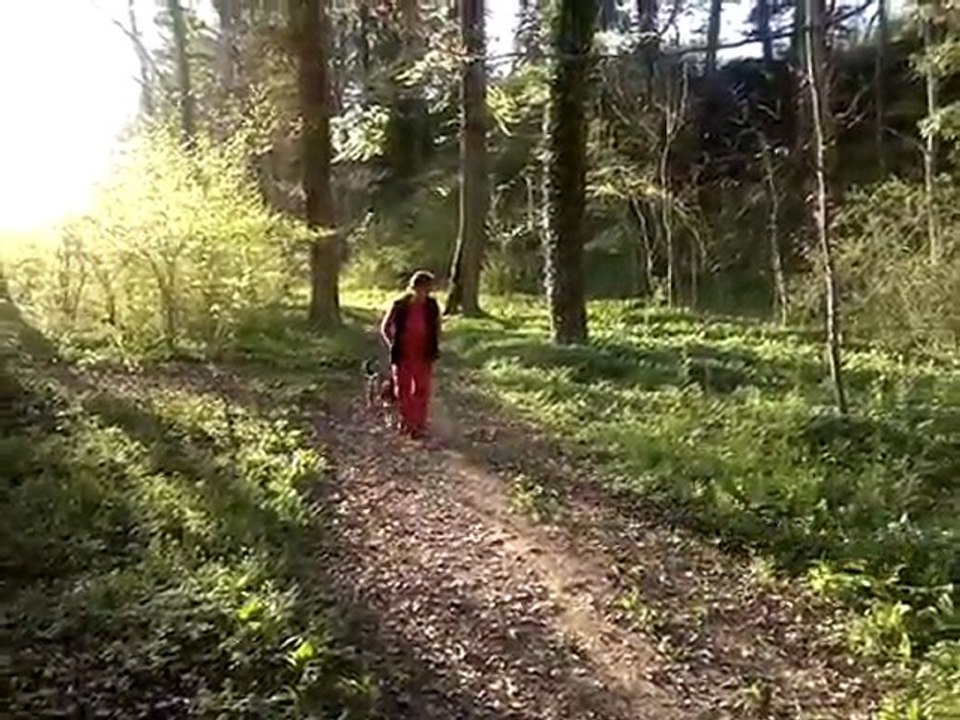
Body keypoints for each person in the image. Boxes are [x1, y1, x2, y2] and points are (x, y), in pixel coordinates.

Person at [380, 271, 441, 438]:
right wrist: (392, 344)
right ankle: (407, 422)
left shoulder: (431, 306)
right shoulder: (400, 304)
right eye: (421, 290)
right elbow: (385, 327)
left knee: (422, 389)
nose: (424, 294)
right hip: (403, 353)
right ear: (413, 288)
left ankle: (419, 424)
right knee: (403, 389)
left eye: (427, 290)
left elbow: (437, 327)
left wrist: (434, 344)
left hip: (423, 353)